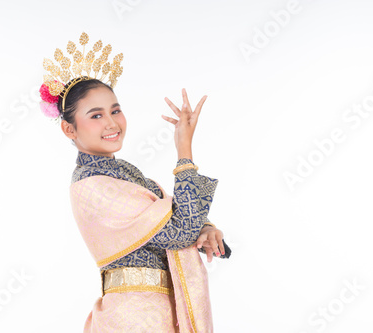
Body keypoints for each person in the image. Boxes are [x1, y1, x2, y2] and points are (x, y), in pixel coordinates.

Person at [40, 32, 231, 332]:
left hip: (161, 312)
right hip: (132, 318)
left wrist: (205, 228)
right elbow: (179, 232)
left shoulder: (125, 173)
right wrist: (184, 151)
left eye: (115, 110)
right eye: (96, 115)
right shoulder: (92, 187)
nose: (112, 123)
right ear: (68, 128)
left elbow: (177, 220)